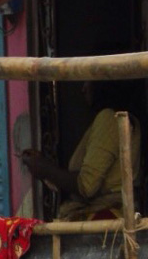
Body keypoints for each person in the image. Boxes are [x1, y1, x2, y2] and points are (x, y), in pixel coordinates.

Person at [22, 81, 142, 220]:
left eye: (88, 82)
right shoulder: (126, 119)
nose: (83, 89)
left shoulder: (110, 119)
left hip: (104, 221)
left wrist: (45, 169)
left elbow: (87, 186)